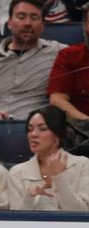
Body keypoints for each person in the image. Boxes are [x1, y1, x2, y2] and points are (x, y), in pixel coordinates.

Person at [0, 0, 66, 120]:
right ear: (9, 23)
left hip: (39, 128)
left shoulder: (60, 53)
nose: (27, 23)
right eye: (21, 17)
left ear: (43, 25)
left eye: (34, 17)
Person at [8, 104, 89, 209]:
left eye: (42, 129)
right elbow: (13, 221)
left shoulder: (83, 165)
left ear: (57, 135)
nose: (33, 134)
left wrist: (59, 178)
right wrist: (29, 198)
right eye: (30, 129)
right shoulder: (17, 173)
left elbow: (82, 214)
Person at [47, 3, 89, 153]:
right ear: (85, 26)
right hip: (82, 131)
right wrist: (86, 122)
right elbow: (57, 100)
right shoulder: (69, 56)